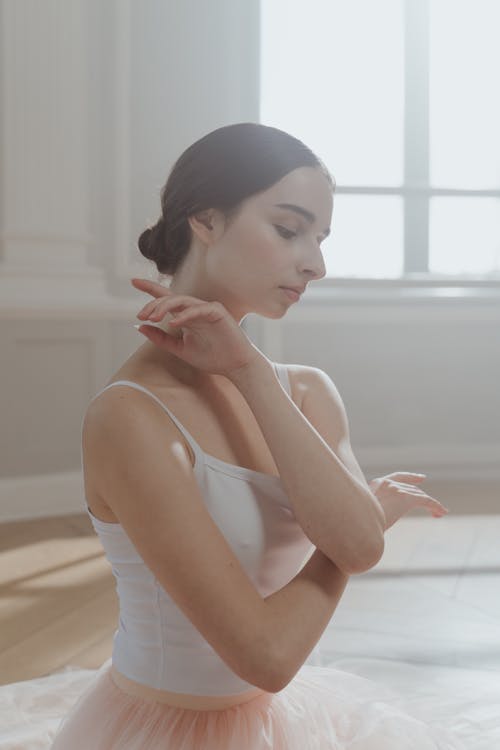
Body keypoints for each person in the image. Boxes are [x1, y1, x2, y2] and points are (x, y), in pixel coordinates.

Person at [50, 122, 462, 749]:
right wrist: (368, 519)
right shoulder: (129, 418)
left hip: (280, 723)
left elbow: (360, 545)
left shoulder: (303, 391)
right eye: (288, 229)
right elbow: (267, 656)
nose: (316, 264)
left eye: (321, 239)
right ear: (206, 220)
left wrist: (249, 371)